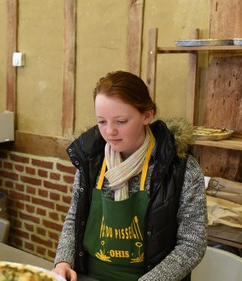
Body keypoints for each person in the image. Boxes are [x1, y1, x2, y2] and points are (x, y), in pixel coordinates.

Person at [52, 71, 207, 281]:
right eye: (102, 121)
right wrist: (63, 261)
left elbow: (192, 244)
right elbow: (74, 218)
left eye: (121, 121)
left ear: (147, 115)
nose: (110, 132)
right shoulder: (91, 161)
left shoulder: (180, 168)